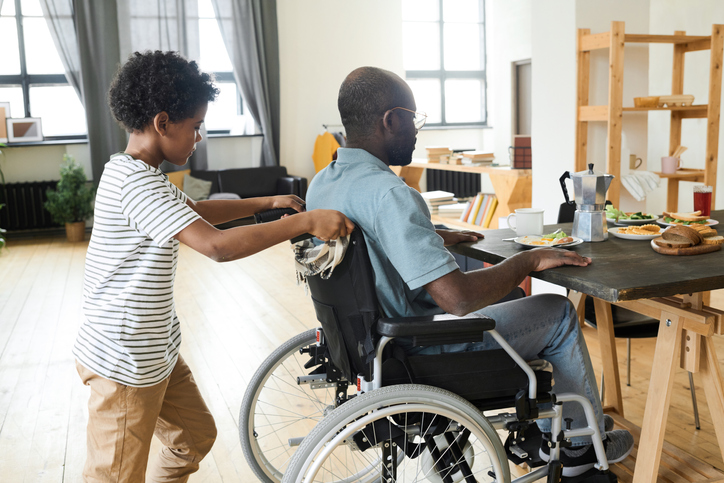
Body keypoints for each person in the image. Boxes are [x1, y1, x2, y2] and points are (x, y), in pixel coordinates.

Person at [305, 66, 633, 476]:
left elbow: (370, 247)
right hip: (420, 346)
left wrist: (431, 236)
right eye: (413, 119)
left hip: (368, 346)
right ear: (391, 120)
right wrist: (527, 261)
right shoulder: (390, 193)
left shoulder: (322, 183)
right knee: (558, 312)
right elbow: (456, 299)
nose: (416, 130)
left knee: (511, 298)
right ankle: (582, 449)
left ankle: (544, 421)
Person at [72, 50, 354, 482]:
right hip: (124, 363)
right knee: (112, 476)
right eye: (195, 127)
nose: (199, 137)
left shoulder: (140, 174)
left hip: (156, 352)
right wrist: (305, 220)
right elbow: (216, 246)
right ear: (162, 123)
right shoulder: (135, 184)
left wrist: (268, 203)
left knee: (193, 437)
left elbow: (195, 211)